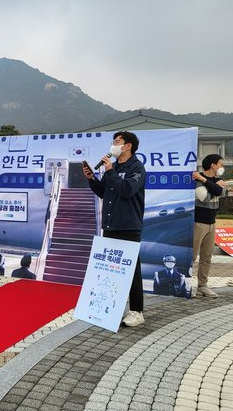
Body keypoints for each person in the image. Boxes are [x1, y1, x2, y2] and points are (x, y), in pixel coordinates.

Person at [83, 131, 146, 327]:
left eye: (117, 142)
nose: (113, 145)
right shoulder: (115, 166)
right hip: (110, 224)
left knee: (132, 270)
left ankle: (137, 311)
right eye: (113, 141)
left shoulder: (136, 167)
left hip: (128, 225)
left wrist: (110, 172)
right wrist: (92, 179)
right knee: (112, 270)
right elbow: (104, 192)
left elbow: (127, 190)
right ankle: (112, 308)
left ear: (128, 146)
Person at [192, 154, 225, 298]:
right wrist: (214, 187)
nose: (221, 167)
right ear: (213, 165)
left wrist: (206, 182)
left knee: (207, 257)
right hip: (198, 222)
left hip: (212, 223)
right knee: (191, 257)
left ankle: (202, 286)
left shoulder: (213, 179)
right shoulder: (196, 178)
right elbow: (204, 199)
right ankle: (185, 285)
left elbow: (221, 192)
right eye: (220, 164)